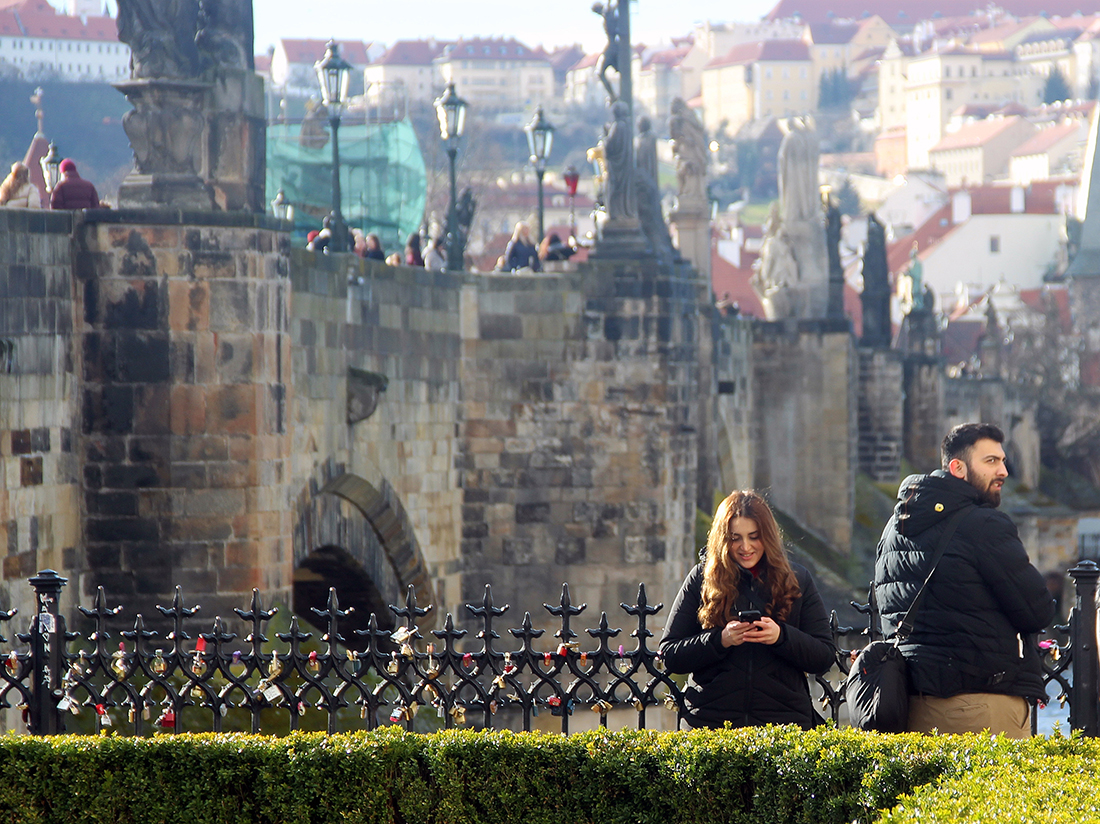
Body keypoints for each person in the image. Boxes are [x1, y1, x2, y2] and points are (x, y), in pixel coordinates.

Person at [873, 422, 1055, 738]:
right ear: (957, 467)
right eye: (991, 461)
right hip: (980, 706)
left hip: (913, 707)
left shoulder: (894, 528)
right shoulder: (985, 525)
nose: (1004, 471)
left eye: (1002, 460)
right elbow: (1037, 610)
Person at [660, 490, 836, 729]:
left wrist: (781, 636)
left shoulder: (797, 579)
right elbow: (670, 654)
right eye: (735, 538)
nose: (745, 547)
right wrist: (720, 640)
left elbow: (824, 656)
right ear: (723, 539)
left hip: (783, 726)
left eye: (754, 537)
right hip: (711, 726)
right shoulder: (701, 578)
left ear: (768, 536)